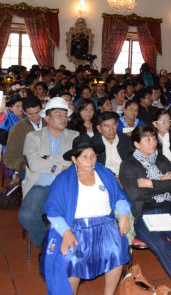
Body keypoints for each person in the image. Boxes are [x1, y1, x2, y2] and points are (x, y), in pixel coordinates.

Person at [41, 135, 131, 295]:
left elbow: (119, 197)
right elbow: (53, 210)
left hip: (106, 225)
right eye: (84, 157)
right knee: (71, 259)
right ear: (74, 160)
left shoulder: (104, 173)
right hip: (75, 227)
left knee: (116, 250)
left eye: (93, 156)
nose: (90, 161)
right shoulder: (63, 180)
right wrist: (66, 232)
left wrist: (123, 215)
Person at [119, 126, 171, 295]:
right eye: (147, 139)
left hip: (165, 210)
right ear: (136, 144)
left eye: (154, 138)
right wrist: (162, 182)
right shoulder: (128, 165)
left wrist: (148, 182)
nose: (152, 142)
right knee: (163, 245)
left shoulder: (161, 160)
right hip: (143, 214)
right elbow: (134, 194)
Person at [19, 97, 79, 246]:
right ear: (47, 118)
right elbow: (34, 163)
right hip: (42, 185)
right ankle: (48, 244)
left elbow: (74, 161)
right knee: (27, 216)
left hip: (67, 184)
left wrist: (50, 158)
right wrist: (60, 167)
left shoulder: (74, 136)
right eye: (59, 114)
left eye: (65, 115)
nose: (64, 118)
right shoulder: (33, 137)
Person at [3, 96, 45, 175]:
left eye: (37, 112)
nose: (35, 117)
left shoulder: (50, 123)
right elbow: (8, 158)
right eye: (30, 114)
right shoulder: (17, 130)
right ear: (24, 112)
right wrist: (24, 166)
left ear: (42, 110)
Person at [92, 111, 132, 177]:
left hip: (126, 176)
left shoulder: (127, 140)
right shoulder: (93, 144)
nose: (111, 129)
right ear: (99, 128)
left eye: (114, 125)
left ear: (117, 125)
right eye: (107, 126)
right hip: (105, 178)